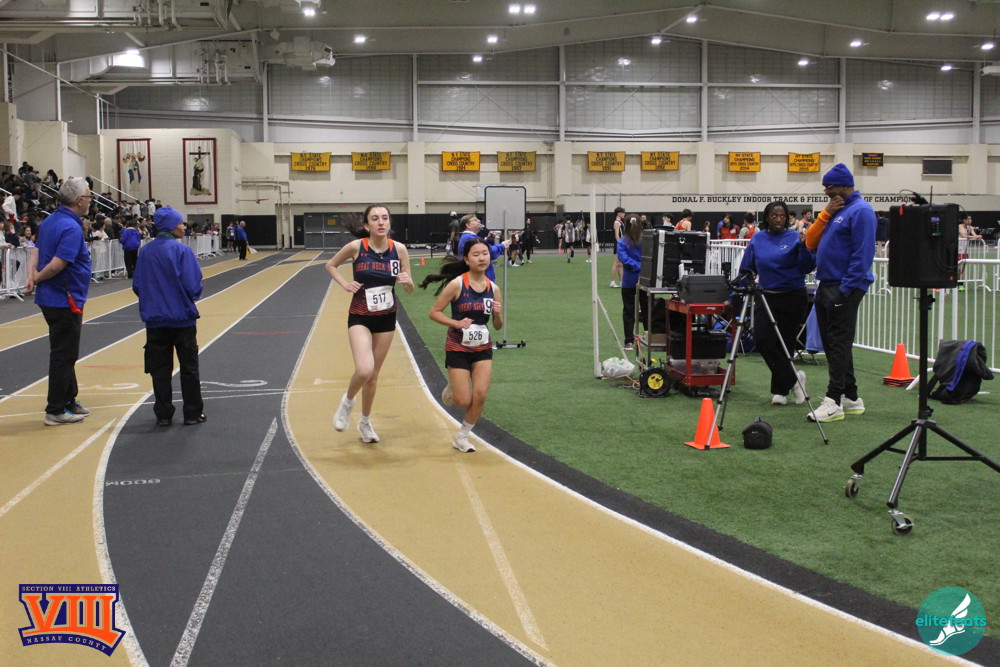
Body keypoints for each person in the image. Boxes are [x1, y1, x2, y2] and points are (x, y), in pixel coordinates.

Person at [327, 204, 414, 443]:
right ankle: (347, 402)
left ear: (390, 223)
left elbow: (409, 288)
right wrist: (345, 284)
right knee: (364, 369)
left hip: (386, 317)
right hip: (360, 315)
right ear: (367, 225)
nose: (381, 222)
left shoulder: (399, 250)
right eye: (375, 218)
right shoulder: (357, 247)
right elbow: (330, 265)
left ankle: (365, 423)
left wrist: (407, 282)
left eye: (385, 218)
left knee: (373, 376)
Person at [804, 163, 876, 422]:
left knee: (837, 343)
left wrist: (845, 289)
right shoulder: (838, 211)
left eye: (829, 187)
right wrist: (826, 212)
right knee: (835, 343)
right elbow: (811, 242)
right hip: (828, 283)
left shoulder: (862, 211)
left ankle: (833, 400)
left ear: (844, 186)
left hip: (843, 286)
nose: (826, 192)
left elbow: (863, 254)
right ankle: (851, 396)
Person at [421, 236, 504, 453]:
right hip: (457, 346)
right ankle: (454, 387)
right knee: (462, 401)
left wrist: (497, 315)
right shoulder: (457, 284)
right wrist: (456, 323)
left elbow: (497, 325)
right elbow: (434, 312)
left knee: (480, 395)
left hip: (482, 347)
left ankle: (462, 436)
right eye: (476, 255)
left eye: (485, 254)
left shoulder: (494, 289)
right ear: (466, 259)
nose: (482, 258)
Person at [24, 177, 93, 426]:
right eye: (88, 197)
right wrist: (38, 278)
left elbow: (35, 251)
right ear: (79, 200)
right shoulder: (71, 228)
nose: (90, 201)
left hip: (56, 297)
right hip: (65, 298)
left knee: (66, 351)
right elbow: (57, 264)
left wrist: (31, 275)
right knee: (64, 354)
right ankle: (55, 409)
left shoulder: (51, 220)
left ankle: (68, 400)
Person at [132, 207, 206, 427]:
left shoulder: (145, 252)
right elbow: (193, 285)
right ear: (172, 226)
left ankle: (163, 414)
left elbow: (138, 285)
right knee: (189, 367)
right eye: (181, 223)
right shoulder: (182, 251)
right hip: (182, 318)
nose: (184, 227)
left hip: (155, 320)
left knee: (160, 370)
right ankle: (192, 413)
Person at [737, 200, 816, 406]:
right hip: (766, 296)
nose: (779, 219)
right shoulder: (757, 239)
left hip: (793, 296)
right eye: (774, 216)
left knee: (785, 344)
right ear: (767, 218)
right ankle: (794, 380)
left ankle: (780, 390)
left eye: (782, 216)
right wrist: (734, 292)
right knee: (763, 340)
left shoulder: (796, 237)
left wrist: (803, 246)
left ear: (787, 218)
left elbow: (807, 267)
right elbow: (747, 269)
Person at [617, 214, 646, 351]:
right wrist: (642, 268)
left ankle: (629, 342)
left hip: (629, 280)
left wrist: (636, 266)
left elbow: (624, 259)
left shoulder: (622, 242)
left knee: (628, 311)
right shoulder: (646, 240)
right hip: (645, 279)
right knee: (647, 310)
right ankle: (649, 337)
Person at [456, 214, 509, 281]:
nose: (479, 221)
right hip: (479, 279)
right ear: (468, 225)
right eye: (475, 220)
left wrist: (489, 240)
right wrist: (502, 246)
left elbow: (481, 248)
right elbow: (489, 252)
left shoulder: (468, 237)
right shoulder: (469, 238)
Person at [610, 206, 625, 287]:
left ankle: (622, 282)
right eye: (623, 213)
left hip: (621, 243)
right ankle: (612, 282)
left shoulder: (620, 222)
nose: (624, 214)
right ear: (619, 213)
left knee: (621, 264)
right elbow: (617, 235)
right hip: (619, 244)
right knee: (616, 263)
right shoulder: (617, 222)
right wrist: (620, 244)